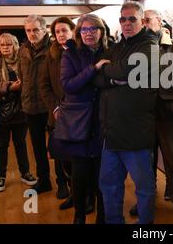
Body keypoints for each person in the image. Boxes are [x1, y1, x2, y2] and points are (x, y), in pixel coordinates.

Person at [95, 1, 158, 224]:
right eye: (123, 19)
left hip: (137, 132)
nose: (127, 23)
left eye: (132, 19)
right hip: (111, 132)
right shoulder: (116, 47)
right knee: (109, 187)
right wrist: (114, 77)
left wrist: (108, 70)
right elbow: (99, 78)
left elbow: (126, 69)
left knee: (144, 189)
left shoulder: (149, 45)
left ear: (142, 21)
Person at [128, 9, 173, 219]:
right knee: (145, 161)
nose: (145, 24)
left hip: (167, 114)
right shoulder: (136, 47)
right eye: (142, 21)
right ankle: (146, 198)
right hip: (143, 116)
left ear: (159, 21)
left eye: (148, 20)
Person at [59, 14, 109, 224]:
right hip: (79, 121)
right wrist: (94, 68)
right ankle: (79, 214)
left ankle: (102, 216)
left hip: (103, 119)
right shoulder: (71, 54)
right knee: (79, 173)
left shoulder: (110, 51)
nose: (89, 33)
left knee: (103, 174)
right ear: (79, 33)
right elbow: (68, 85)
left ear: (101, 31)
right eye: (85, 29)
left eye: (93, 29)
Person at [0, 33, 37, 192]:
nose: (5, 48)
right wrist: (9, 86)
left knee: (21, 144)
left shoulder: (23, 61)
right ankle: (1, 176)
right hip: (1, 111)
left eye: (8, 45)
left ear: (15, 45)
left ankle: (25, 173)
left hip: (21, 109)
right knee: (1, 146)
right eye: (2, 45)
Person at [39, 17, 74, 208]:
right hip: (59, 115)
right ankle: (71, 191)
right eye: (57, 32)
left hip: (78, 115)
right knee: (62, 157)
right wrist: (55, 108)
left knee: (79, 159)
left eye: (64, 30)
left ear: (72, 31)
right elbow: (44, 86)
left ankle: (84, 195)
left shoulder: (80, 53)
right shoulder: (50, 56)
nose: (61, 35)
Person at [18, 15, 52, 193]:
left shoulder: (53, 49)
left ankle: (63, 183)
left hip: (49, 106)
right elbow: (22, 77)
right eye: (28, 30)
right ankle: (44, 180)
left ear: (45, 30)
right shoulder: (23, 50)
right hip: (30, 106)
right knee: (38, 147)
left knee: (57, 147)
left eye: (35, 30)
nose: (31, 34)